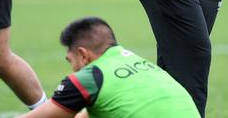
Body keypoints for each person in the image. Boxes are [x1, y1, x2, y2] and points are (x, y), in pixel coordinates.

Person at [18, 17, 200, 118]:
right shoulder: (137, 62)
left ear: (82, 54)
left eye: (70, 60)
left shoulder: (88, 78)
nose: (72, 67)